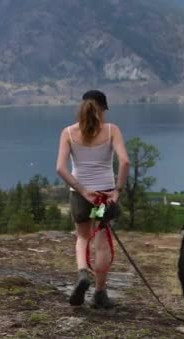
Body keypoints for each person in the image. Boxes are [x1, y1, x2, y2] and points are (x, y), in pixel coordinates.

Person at [56, 90, 130, 309]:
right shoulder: (111, 130)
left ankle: (81, 273)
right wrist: (117, 191)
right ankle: (99, 293)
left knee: (82, 237)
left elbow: (60, 168)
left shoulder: (68, 133)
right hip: (102, 198)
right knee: (102, 242)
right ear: (103, 109)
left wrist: (81, 189)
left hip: (81, 196)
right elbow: (124, 162)